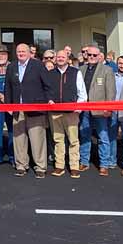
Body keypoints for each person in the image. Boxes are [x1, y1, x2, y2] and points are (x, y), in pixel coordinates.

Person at [6, 43, 54, 178]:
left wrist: (48, 100)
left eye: (23, 51)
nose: (21, 53)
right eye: (18, 51)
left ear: (29, 53)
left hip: (35, 109)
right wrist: (9, 105)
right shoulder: (12, 66)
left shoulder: (37, 65)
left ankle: (40, 167)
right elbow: (8, 88)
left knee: (37, 139)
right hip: (17, 108)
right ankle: (21, 165)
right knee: (19, 139)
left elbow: (48, 85)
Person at [47, 50, 86, 178]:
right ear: (55, 59)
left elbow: (82, 93)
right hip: (55, 113)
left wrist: (78, 109)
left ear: (67, 58)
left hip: (71, 113)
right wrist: (49, 100)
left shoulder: (76, 72)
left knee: (73, 141)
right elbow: (46, 91)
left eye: (63, 57)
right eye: (58, 57)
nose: (60, 59)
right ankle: (59, 166)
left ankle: (74, 166)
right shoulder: (50, 73)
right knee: (58, 140)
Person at [85, 46, 117, 176]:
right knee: (84, 136)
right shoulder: (81, 69)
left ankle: (104, 164)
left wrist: (108, 108)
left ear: (99, 56)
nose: (92, 57)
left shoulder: (107, 70)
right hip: (84, 110)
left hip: (100, 110)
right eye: (89, 55)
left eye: (94, 55)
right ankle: (84, 161)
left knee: (103, 137)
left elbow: (111, 91)